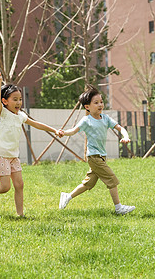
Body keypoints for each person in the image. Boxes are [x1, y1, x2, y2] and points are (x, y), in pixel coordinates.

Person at [0, 71, 63, 217]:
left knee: (19, 185)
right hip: (1, 154)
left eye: (20, 99)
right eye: (15, 99)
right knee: (5, 187)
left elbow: (36, 124)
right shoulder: (2, 113)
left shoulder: (20, 116)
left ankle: (20, 215)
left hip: (13, 155)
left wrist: (54, 130)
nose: (18, 103)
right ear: (5, 101)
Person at [59, 85, 135, 215]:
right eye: (96, 103)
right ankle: (119, 208)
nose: (100, 105)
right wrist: (63, 133)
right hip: (93, 156)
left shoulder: (105, 118)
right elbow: (73, 131)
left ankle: (67, 196)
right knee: (112, 180)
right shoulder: (86, 120)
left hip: (102, 156)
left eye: (101, 102)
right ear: (87, 107)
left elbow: (120, 128)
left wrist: (126, 136)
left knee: (88, 184)